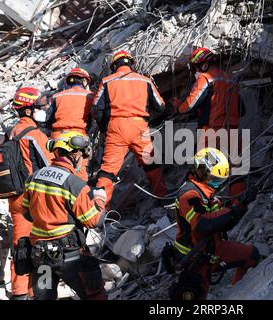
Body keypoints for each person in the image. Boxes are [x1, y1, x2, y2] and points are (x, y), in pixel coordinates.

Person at [0, 87, 53, 300]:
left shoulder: (9, 136)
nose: (42, 110)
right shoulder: (35, 135)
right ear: (28, 110)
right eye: (38, 107)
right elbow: (53, 168)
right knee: (43, 246)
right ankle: (40, 291)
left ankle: (19, 293)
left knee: (21, 246)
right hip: (38, 200)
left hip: (16, 200)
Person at [21, 131, 107, 300]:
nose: (82, 159)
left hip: (40, 257)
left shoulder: (33, 178)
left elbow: (27, 214)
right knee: (94, 295)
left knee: (44, 298)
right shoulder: (75, 184)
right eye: (81, 154)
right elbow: (93, 221)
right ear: (74, 154)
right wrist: (99, 200)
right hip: (70, 256)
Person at [170, 147, 259, 300]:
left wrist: (241, 206)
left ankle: (235, 296)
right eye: (215, 179)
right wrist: (232, 210)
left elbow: (223, 224)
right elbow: (203, 225)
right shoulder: (189, 195)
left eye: (220, 181)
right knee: (197, 296)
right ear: (200, 171)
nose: (217, 184)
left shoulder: (208, 194)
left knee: (252, 256)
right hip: (195, 259)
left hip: (214, 249)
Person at [170, 47, 246, 203]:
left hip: (211, 132)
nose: (195, 71)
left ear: (202, 65)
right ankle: (238, 203)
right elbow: (242, 110)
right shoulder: (230, 79)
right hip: (232, 132)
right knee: (236, 169)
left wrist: (178, 106)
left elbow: (189, 105)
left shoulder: (206, 78)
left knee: (202, 169)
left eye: (196, 67)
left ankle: (199, 203)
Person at [92, 50, 167, 205]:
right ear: (131, 64)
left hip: (116, 127)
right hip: (139, 126)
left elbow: (96, 109)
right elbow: (160, 106)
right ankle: (162, 199)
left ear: (114, 65)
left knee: (108, 169)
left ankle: (98, 209)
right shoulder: (145, 81)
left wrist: (103, 129)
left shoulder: (107, 81)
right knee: (151, 162)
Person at [45, 67, 94, 181]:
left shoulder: (57, 96)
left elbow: (48, 120)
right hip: (79, 138)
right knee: (79, 173)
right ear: (84, 81)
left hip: (58, 137)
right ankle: (79, 197)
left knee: (58, 171)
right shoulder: (90, 96)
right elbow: (94, 118)